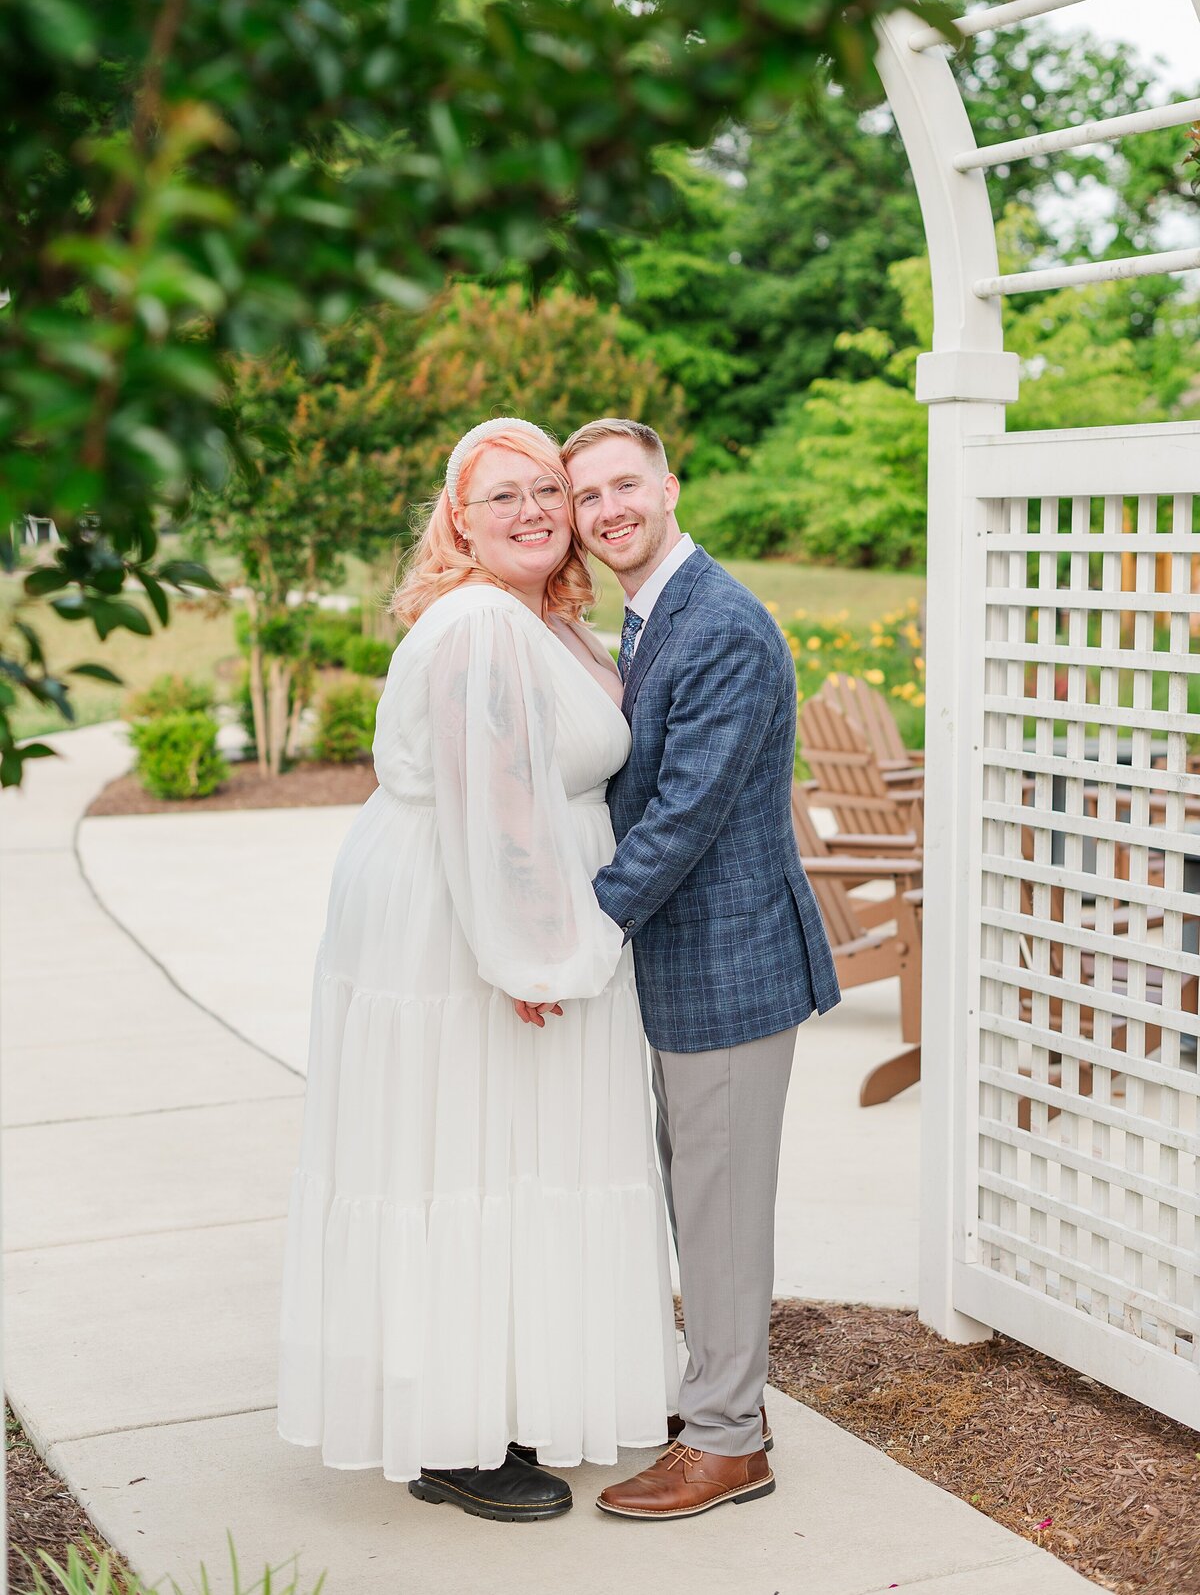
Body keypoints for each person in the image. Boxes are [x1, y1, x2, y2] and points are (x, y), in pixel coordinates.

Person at [277, 417, 679, 1522]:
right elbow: (496, 803)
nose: (534, 510)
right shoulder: (477, 626)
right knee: (464, 1154)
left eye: (546, 489)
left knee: (519, 1154)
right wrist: (533, 952)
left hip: (515, 901)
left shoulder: (537, 622)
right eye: (500, 496)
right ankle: (451, 1433)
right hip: (468, 922)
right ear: (456, 517)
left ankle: (513, 1385)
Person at [562, 417, 841, 1522]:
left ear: (670, 486)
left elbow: (683, 817)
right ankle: (727, 1403)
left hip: (728, 967)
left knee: (719, 1212)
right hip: (692, 967)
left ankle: (728, 1442)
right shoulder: (653, 613)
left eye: (623, 484)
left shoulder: (718, 623)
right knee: (700, 1197)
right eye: (587, 496)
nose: (606, 508)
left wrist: (580, 932)